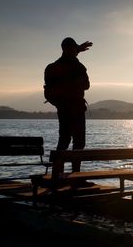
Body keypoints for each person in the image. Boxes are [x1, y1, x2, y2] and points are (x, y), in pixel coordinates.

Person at [44, 37, 92, 172]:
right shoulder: (77, 67)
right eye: (75, 49)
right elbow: (87, 85)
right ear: (71, 50)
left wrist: (77, 50)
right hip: (76, 110)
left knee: (64, 141)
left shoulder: (54, 67)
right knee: (78, 144)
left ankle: (57, 175)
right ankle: (75, 176)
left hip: (64, 109)